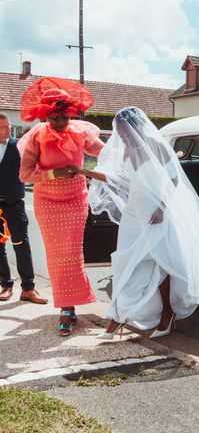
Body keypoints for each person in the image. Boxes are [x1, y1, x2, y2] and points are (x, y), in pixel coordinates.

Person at [83, 107, 199, 340]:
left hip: (157, 213)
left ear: (136, 127)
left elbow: (173, 179)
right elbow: (123, 180)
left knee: (162, 266)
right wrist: (86, 172)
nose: (121, 136)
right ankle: (119, 317)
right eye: (119, 132)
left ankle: (165, 314)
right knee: (126, 265)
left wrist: (161, 207)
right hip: (134, 214)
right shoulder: (128, 150)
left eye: (124, 131)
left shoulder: (157, 146)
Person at [17, 77, 105, 336]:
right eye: (54, 117)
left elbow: (106, 153)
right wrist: (54, 174)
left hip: (76, 198)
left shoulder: (81, 132)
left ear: (70, 114)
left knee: (73, 253)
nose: (60, 121)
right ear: (46, 115)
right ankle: (66, 307)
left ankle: (69, 306)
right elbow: (25, 175)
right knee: (57, 256)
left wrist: (136, 151)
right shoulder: (37, 136)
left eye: (64, 116)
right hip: (47, 201)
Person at [0, 113, 48, 304]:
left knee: (21, 245)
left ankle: (28, 288)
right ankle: (6, 284)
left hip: (14, 203)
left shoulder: (20, 145)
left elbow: (35, 167)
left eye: (8, 126)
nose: (7, 130)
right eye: (3, 127)